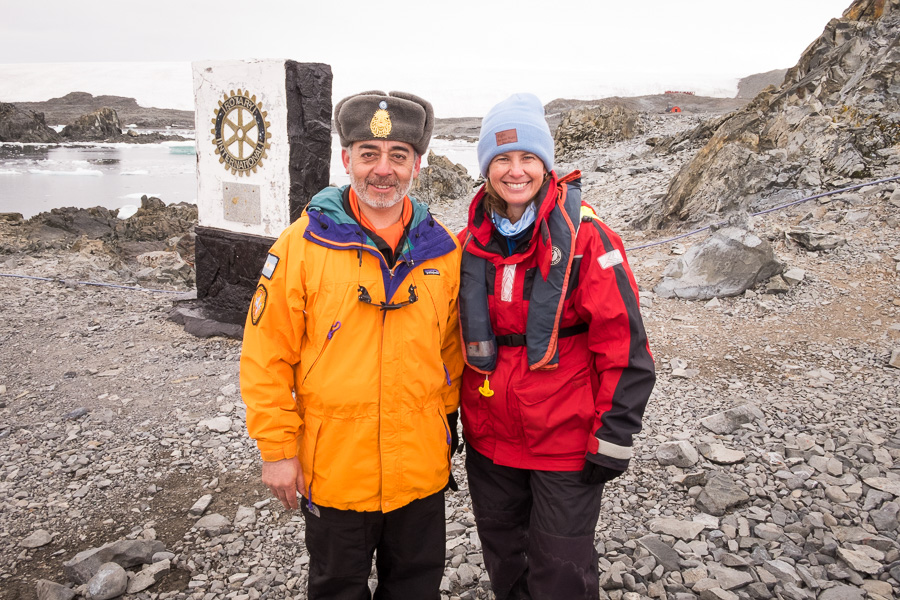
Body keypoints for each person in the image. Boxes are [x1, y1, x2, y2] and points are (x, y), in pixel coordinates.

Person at [240, 90, 463, 600]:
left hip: (420, 468)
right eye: (369, 154)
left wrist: (440, 429)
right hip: (336, 469)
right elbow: (265, 354)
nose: (382, 170)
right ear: (347, 160)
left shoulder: (444, 249)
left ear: (417, 165)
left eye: (398, 156)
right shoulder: (300, 245)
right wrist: (277, 450)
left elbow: (451, 353)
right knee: (337, 587)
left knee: (415, 587)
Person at [457, 93, 656, 600]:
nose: (515, 170)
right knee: (504, 559)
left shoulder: (588, 239)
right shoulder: (465, 244)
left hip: (565, 443)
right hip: (490, 440)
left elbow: (625, 346)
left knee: (561, 569)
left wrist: (612, 438)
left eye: (528, 157)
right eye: (501, 158)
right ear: (485, 167)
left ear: (546, 164)